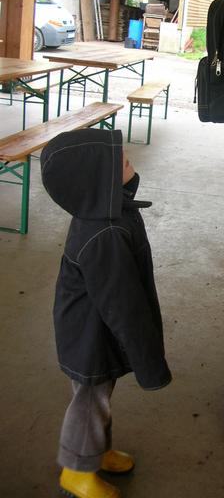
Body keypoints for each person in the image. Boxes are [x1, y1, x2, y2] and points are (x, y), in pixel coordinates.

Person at [40, 128, 172, 498]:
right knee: (89, 401)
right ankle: (76, 471)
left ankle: (95, 450)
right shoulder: (104, 234)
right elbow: (122, 303)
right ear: (96, 179)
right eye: (121, 161)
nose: (129, 161)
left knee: (99, 395)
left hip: (95, 329)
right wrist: (148, 361)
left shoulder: (109, 212)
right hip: (88, 335)